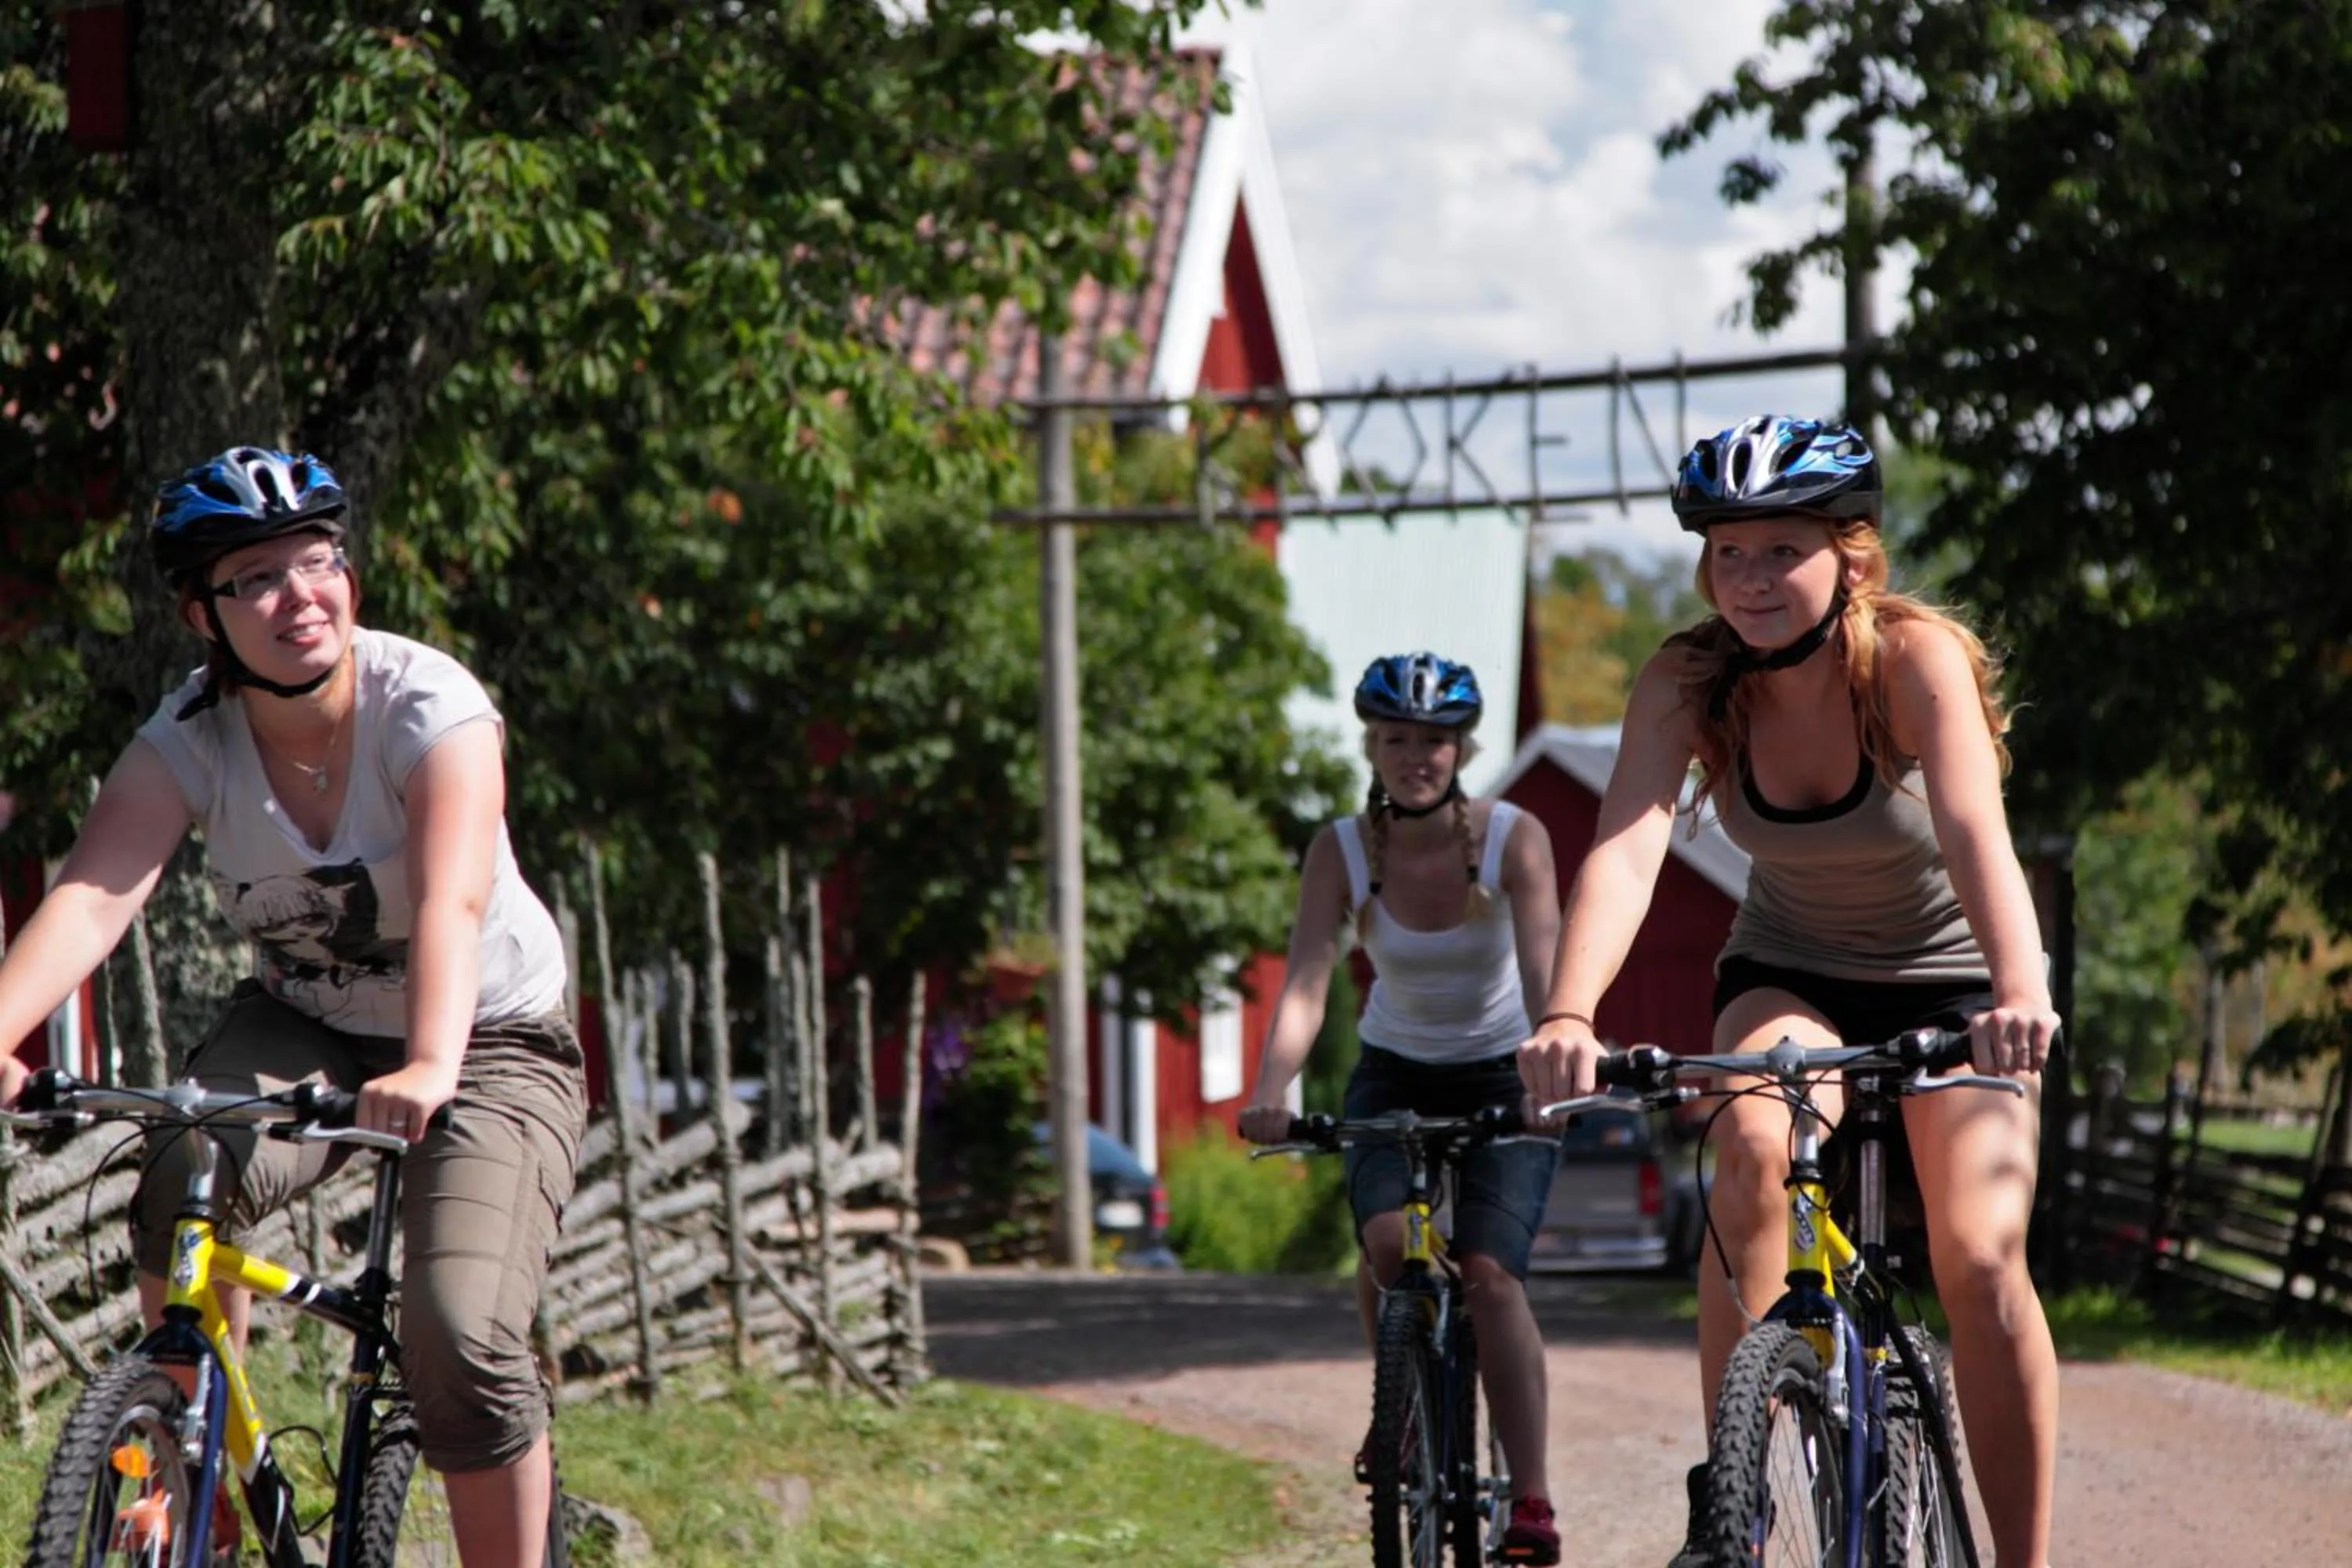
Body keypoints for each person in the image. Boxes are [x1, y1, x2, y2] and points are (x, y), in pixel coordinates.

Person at [0, 447, 585, 1568]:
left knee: (458, 1338)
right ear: (202, 615)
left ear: (349, 577)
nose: (296, 596)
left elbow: (453, 902)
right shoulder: (187, 741)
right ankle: (189, 1471)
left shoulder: (432, 706)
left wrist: (426, 1067)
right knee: (183, 1171)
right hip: (310, 1023)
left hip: (492, 1035)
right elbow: (90, 898)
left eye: (315, 561)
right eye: (254, 578)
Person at [1515, 415, 2062, 1568]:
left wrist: (2018, 991)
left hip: (1951, 981)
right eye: (1729, 552)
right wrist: (1568, 1013)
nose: (1751, 578)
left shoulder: (1913, 663)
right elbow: (1626, 846)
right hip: (1789, 968)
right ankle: (1738, 1510)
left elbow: (1975, 831)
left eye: (1780, 549)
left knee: (1978, 1255)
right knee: (1752, 1155)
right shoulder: (1688, 678)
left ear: (1849, 556)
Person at [1239, 652, 1566, 1565]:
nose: (1415, 756)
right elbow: (1308, 979)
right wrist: (1272, 1091)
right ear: (1371, 744)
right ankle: (1403, 1408)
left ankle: (1531, 1495)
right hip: (1394, 1071)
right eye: (1396, 738)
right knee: (1387, 1242)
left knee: (1491, 1274)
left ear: (1462, 747)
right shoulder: (1341, 849)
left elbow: (1546, 970)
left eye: (1433, 739)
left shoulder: (1513, 838)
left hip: (1504, 1075)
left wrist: (1554, 1070)